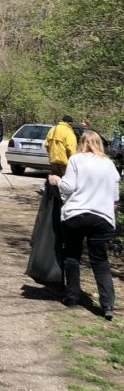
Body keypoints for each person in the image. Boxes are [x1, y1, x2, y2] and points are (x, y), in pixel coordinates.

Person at [48, 131, 120, 319]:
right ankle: (108, 305)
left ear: (81, 143)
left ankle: (72, 296)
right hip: (102, 217)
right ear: (100, 144)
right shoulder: (109, 164)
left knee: (72, 255)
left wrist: (56, 180)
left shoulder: (76, 160)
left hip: (76, 214)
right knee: (100, 261)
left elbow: (68, 187)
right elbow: (114, 197)